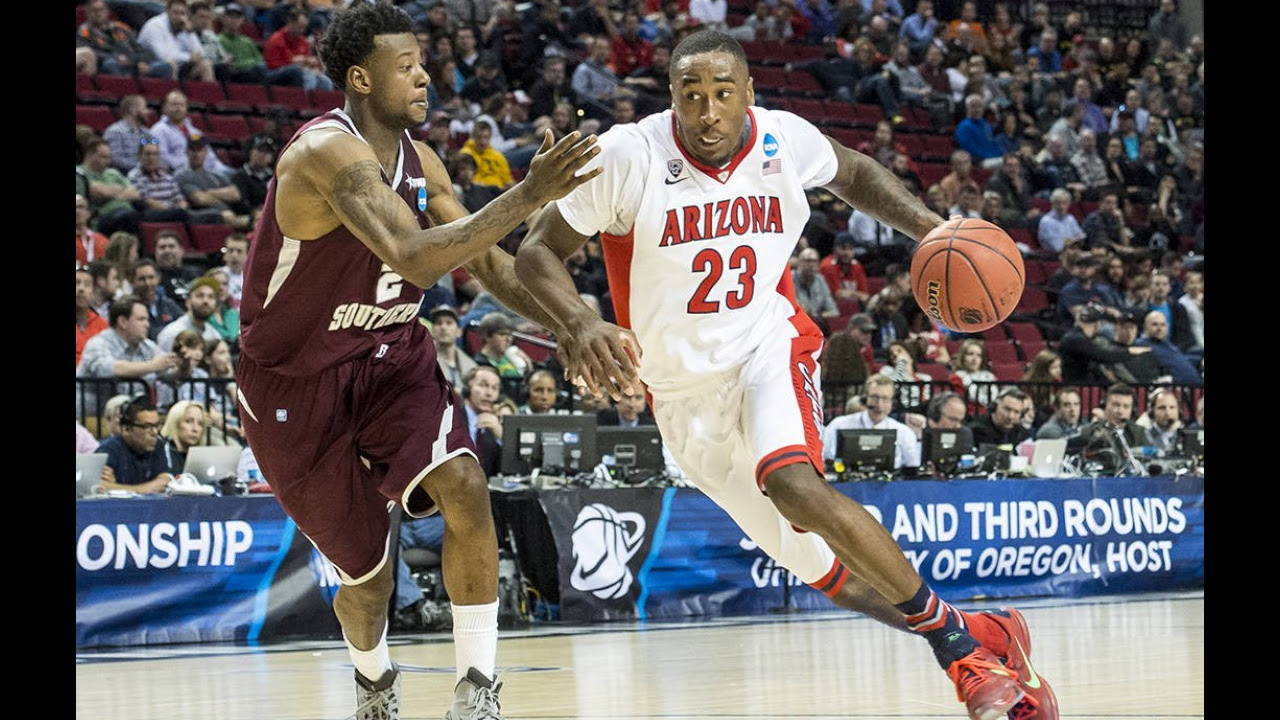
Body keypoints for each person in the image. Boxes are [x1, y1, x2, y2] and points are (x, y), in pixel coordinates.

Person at [514, 29, 1053, 720]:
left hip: (769, 345)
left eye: (722, 93)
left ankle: (960, 657)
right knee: (833, 575)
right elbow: (536, 252)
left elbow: (854, 173)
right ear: (673, 95)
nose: (707, 112)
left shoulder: (782, 140)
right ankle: (985, 634)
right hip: (680, 395)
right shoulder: (629, 155)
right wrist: (581, 323)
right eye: (692, 95)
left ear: (748, 93)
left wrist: (930, 229)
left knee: (792, 483)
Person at [234, 3, 601, 718]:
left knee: (465, 483)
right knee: (367, 580)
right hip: (296, 381)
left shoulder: (423, 161)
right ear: (361, 79)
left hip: (391, 354)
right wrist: (529, 193)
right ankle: (374, 681)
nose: (424, 76)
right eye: (406, 66)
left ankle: (477, 687)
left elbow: (487, 265)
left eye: (422, 62)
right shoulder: (322, 155)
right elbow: (411, 254)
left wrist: (576, 321)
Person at [822, 375, 922, 470]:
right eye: (874, 397)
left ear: (892, 402)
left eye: (885, 398)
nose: (879, 404)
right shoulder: (839, 425)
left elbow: (912, 466)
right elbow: (823, 457)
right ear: (865, 398)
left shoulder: (904, 433)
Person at [95, 395, 175, 494]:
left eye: (156, 426)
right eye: (147, 426)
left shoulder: (157, 445)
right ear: (126, 429)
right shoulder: (109, 450)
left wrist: (117, 488)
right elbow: (98, 486)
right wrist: (147, 489)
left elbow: (164, 480)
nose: (154, 432)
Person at [427, 304, 478, 389]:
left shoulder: (471, 366)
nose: (443, 327)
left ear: (459, 331)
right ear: (432, 331)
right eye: (439, 323)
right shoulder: (423, 359)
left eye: (449, 323)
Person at [156, 399, 209, 475]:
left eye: (200, 424)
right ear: (175, 422)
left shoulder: (200, 457)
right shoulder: (161, 451)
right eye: (188, 421)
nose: (195, 429)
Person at [77, 265, 111, 368]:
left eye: (87, 284)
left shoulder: (103, 325)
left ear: (93, 291)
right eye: (76, 283)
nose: (81, 289)